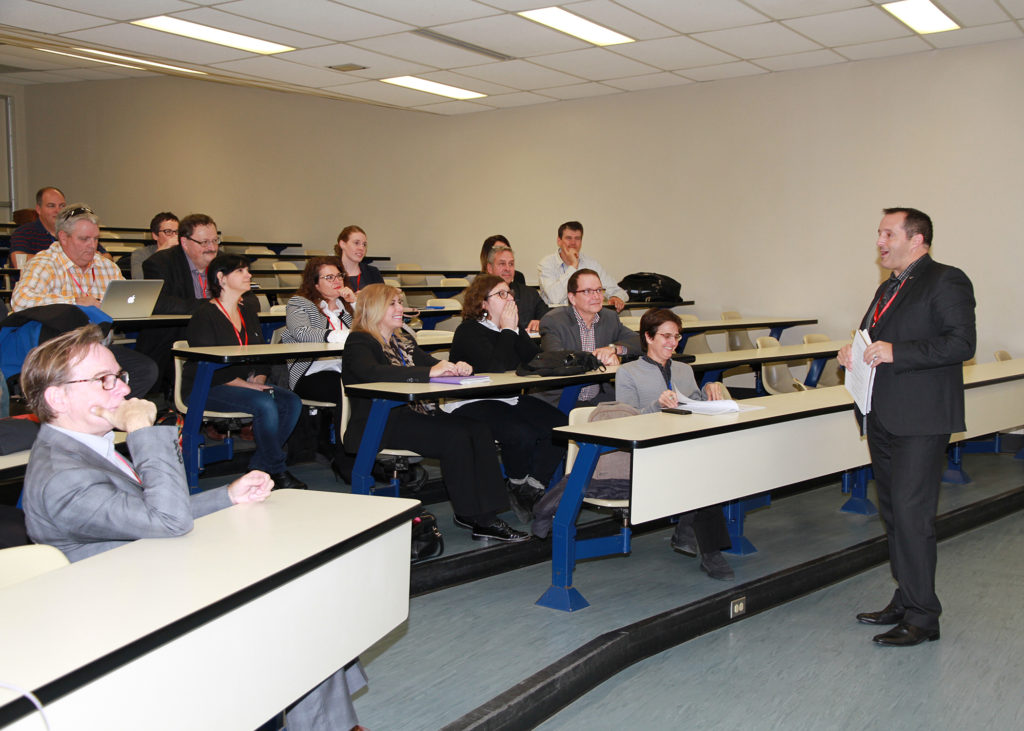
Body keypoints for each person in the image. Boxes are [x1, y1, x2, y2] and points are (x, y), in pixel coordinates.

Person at [19, 324, 368, 731]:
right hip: (121, 617)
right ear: (56, 397)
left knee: (298, 608)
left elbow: (147, 514)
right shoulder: (63, 473)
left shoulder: (80, 448)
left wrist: (226, 497)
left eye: (120, 376)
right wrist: (142, 433)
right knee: (291, 618)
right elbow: (166, 519)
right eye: (103, 380)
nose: (122, 391)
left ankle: (319, 718)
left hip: (142, 580)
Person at [837, 207, 975, 647]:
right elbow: (870, 337)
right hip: (884, 414)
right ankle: (906, 597)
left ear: (916, 239)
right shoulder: (888, 287)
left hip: (920, 417)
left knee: (913, 517)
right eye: (878, 233)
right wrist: (852, 352)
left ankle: (923, 617)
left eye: (887, 233)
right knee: (895, 514)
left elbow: (961, 342)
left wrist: (899, 352)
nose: (879, 241)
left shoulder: (946, 279)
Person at [342, 283, 529, 542]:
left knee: (478, 429)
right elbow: (371, 373)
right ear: (374, 308)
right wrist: (430, 372)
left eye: (400, 302)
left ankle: (485, 511)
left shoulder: (402, 340)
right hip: (382, 421)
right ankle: (477, 516)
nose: (401, 308)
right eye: (393, 304)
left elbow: (432, 364)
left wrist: (454, 367)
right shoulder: (360, 340)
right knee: (455, 437)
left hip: (414, 414)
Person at [614, 308, 734, 580]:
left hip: (683, 445)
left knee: (715, 465)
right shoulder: (628, 373)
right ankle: (709, 549)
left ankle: (690, 529)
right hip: (649, 452)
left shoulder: (683, 369)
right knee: (705, 472)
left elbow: (694, 405)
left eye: (677, 336)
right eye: (666, 336)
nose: (673, 342)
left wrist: (708, 391)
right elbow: (624, 422)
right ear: (648, 337)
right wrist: (657, 405)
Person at [449, 274, 567, 519]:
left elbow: (533, 361)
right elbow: (494, 368)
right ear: (483, 303)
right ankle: (516, 482)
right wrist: (507, 330)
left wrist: (513, 329)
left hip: (507, 398)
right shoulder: (468, 331)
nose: (509, 298)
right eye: (501, 294)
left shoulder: (510, 328)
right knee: (520, 433)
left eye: (510, 293)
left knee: (561, 427)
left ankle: (531, 488)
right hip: (472, 401)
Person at [184, 253, 307, 491]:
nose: (248, 275)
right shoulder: (204, 314)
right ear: (221, 278)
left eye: (247, 271)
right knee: (265, 403)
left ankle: (259, 466)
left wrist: (259, 377)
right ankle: (278, 471)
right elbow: (209, 363)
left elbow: (262, 353)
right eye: (240, 271)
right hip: (207, 385)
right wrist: (249, 385)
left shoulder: (248, 309)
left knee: (291, 401)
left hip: (243, 385)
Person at [11, 203, 157, 398]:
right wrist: (74, 301)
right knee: (84, 378)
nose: (92, 245)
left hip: (97, 346)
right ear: (63, 237)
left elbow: (125, 300)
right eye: (84, 239)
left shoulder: (106, 266)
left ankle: (105, 417)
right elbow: (20, 301)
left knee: (145, 370)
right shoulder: (44, 262)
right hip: (56, 349)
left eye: (96, 239)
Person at [281, 256, 355, 480]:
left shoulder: (348, 307)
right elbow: (302, 333)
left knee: (368, 387)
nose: (337, 281)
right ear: (314, 283)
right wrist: (343, 336)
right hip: (311, 373)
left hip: (346, 370)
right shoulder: (300, 303)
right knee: (348, 389)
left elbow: (372, 331)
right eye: (329, 277)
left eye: (339, 276)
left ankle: (368, 453)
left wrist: (356, 304)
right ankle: (345, 460)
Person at [137, 213, 221, 390]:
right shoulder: (160, 263)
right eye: (204, 242)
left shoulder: (223, 262)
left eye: (215, 240)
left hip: (215, 336)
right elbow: (159, 303)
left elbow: (246, 297)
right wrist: (211, 306)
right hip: (173, 338)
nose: (212, 247)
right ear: (184, 242)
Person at [539, 269, 641, 406]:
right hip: (561, 398)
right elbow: (557, 360)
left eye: (599, 290)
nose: (596, 296)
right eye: (587, 291)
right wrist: (599, 359)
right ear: (572, 298)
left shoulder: (609, 318)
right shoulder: (554, 321)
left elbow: (641, 342)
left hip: (598, 397)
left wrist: (613, 349)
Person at [537, 221, 627, 311]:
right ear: (559, 241)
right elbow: (555, 298)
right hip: (555, 317)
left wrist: (616, 297)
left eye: (577, 238)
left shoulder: (591, 263)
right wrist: (573, 266)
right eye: (568, 238)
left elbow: (618, 291)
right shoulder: (546, 263)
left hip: (586, 317)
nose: (573, 243)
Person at [485, 242, 548, 333]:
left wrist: (540, 323)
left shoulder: (530, 294)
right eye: (502, 264)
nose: (507, 268)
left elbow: (547, 317)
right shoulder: (480, 296)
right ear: (490, 268)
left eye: (511, 264)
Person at [9, 186, 65, 265]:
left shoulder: (71, 233)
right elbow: (19, 261)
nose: (58, 210)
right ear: (38, 209)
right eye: (51, 206)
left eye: (62, 206)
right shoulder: (24, 233)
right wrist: (59, 260)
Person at [334, 225, 383, 293]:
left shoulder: (373, 272)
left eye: (364, 244)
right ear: (342, 244)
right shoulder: (329, 273)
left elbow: (382, 301)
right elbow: (315, 301)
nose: (361, 248)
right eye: (356, 243)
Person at [130, 211, 179, 279]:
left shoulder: (183, 254)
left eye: (177, 232)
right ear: (155, 236)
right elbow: (140, 283)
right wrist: (162, 250)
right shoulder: (141, 254)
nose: (175, 236)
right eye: (168, 232)